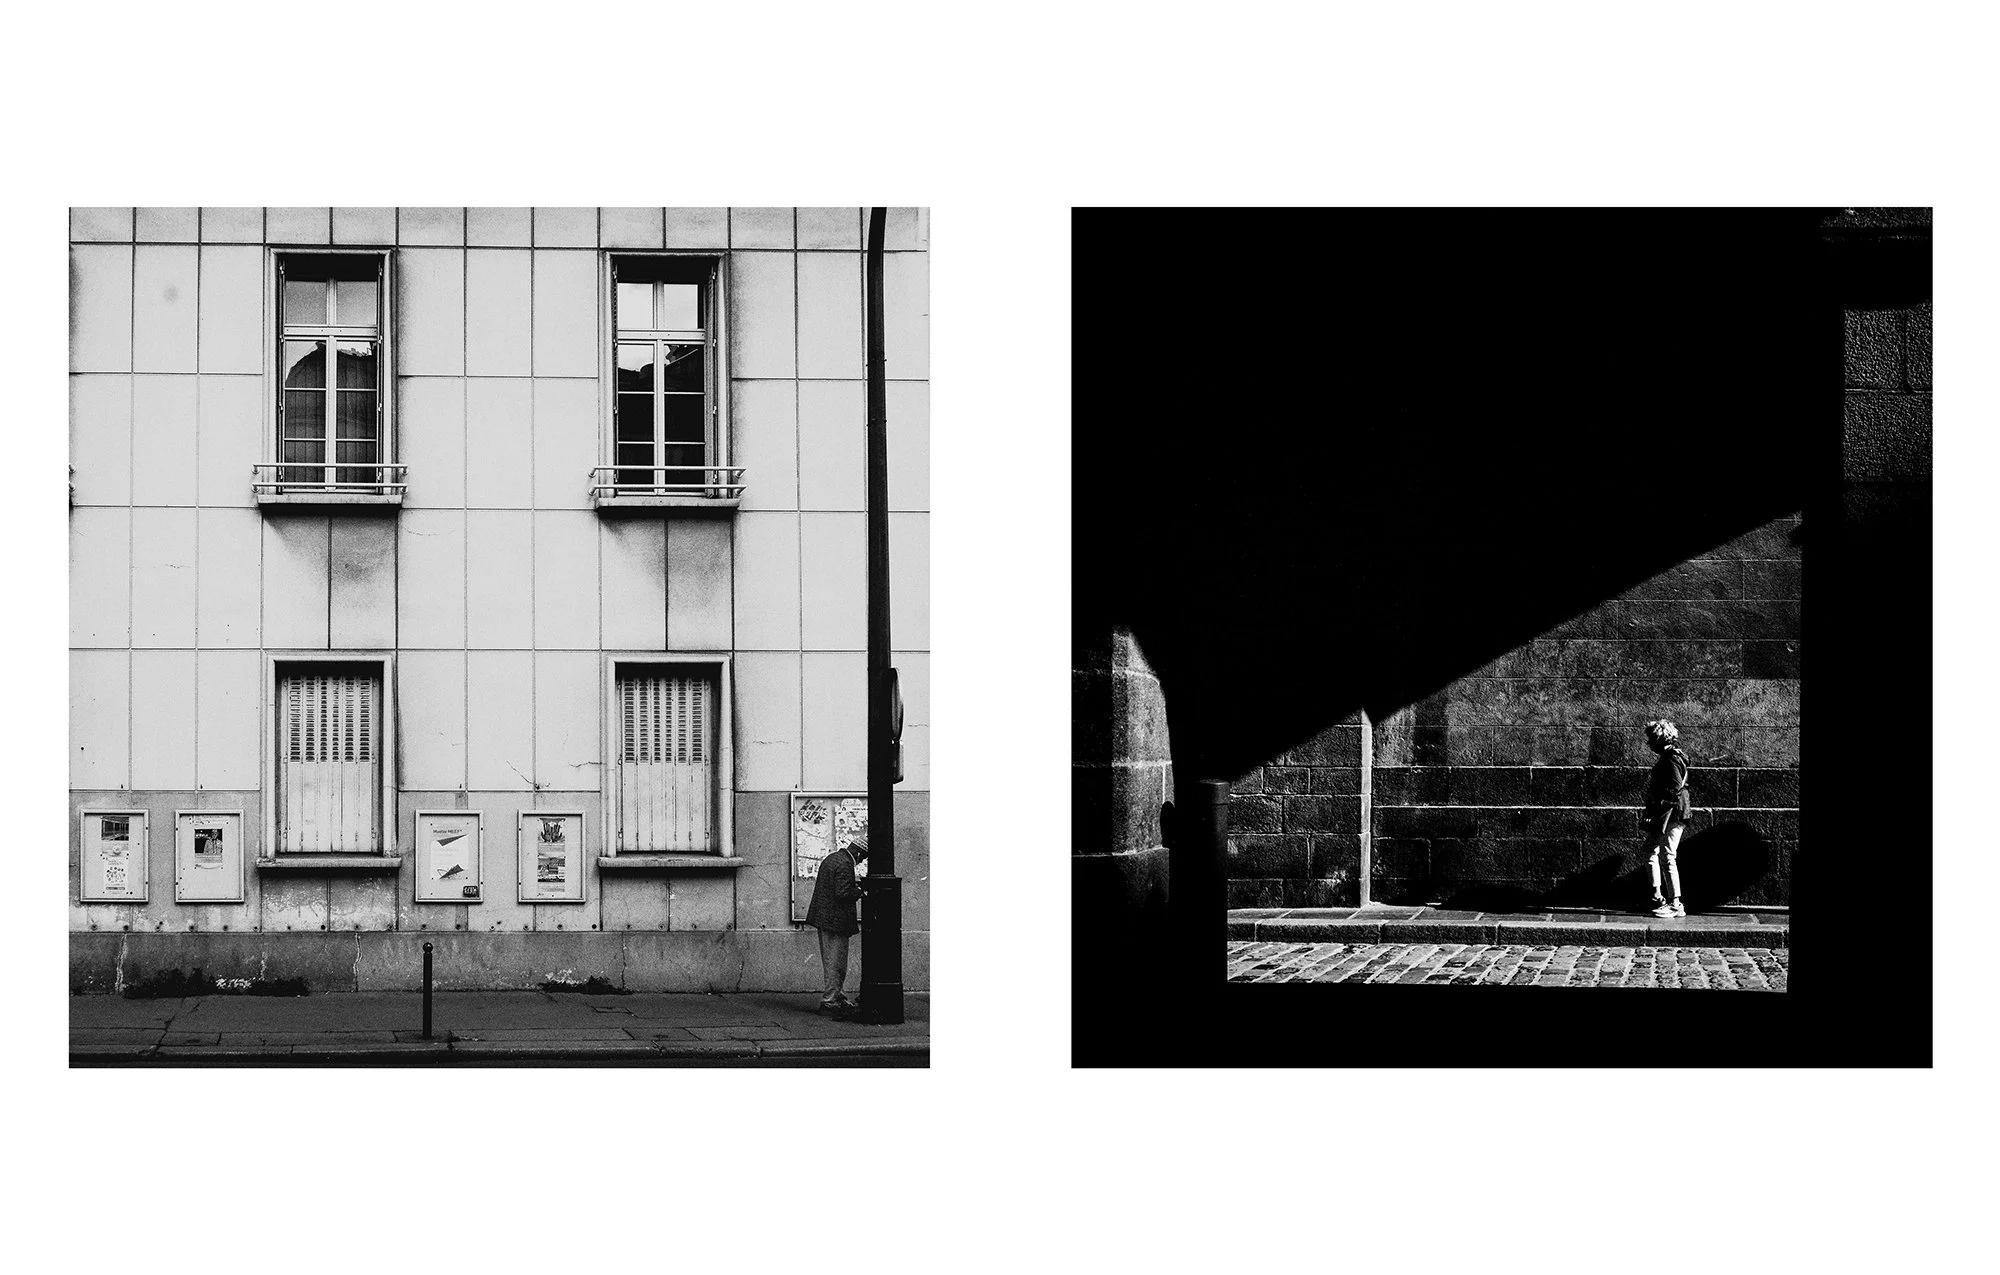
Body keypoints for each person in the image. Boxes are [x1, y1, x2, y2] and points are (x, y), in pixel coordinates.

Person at [806, 832, 867, 1014]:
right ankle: (831, 1000)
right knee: (836, 963)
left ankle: (836, 996)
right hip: (835, 921)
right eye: (863, 858)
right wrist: (860, 891)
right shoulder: (846, 864)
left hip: (825, 918)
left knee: (832, 961)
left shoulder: (834, 858)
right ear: (858, 853)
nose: (862, 862)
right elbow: (843, 893)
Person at [1641, 719, 1692, 918]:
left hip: (1673, 812)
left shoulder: (1670, 759)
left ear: (1659, 739)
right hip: (1666, 813)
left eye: (1650, 739)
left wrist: (1656, 808)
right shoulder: (1668, 757)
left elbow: (1675, 789)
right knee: (1649, 851)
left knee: (1667, 855)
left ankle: (1675, 903)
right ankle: (1657, 897)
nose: (1648, 743)